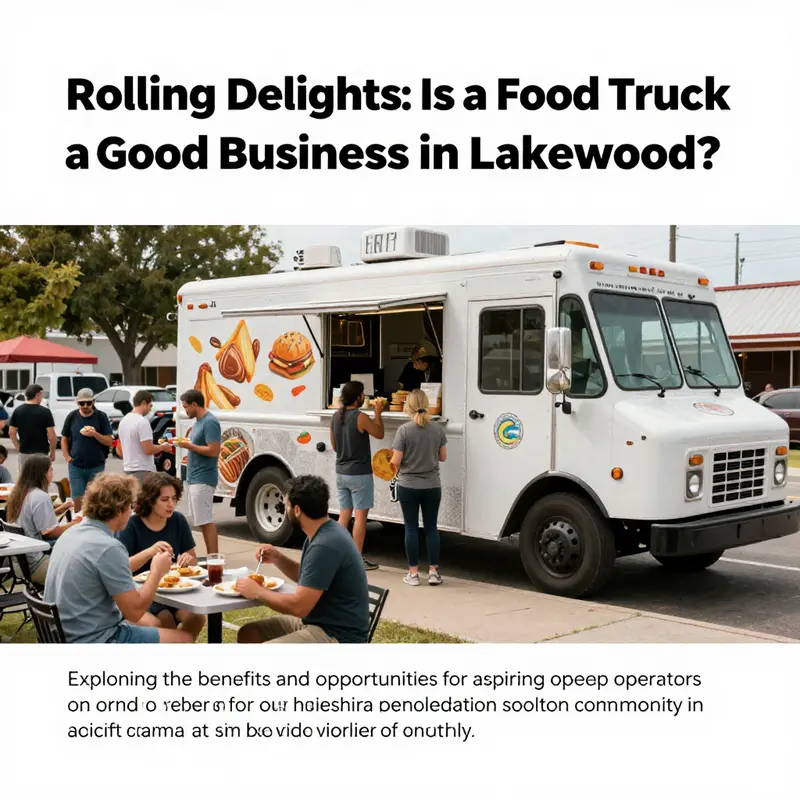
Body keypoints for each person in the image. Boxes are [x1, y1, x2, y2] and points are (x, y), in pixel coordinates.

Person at [44, 473, 200, 643]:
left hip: (61, 634)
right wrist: (156, 571)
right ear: (120, 509)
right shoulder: (108, 547)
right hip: (94, 638)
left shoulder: (71, 533)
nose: (132, 511)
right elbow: (134, 612)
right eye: (130, 506)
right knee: (183, 639)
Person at [236, 475, 369, 644]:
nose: (284, 510)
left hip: (338, 635)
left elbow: (298, 607)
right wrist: (278, 558)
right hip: (317, 623)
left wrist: (257, 592)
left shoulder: (325, 545)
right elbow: (309, 577)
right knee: (249, 633)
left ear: (297, 510)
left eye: (286, 506)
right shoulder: (320, 532)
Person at [117, 473, 205, 633]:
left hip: (174, 591)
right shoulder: (133, 525)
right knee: (165, 620)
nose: (171, 504)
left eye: (174, 498)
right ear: (150, 500)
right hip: (143, 593)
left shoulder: (178, 520)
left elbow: (193, 559)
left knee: (197, 617)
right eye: (164, 500)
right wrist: (149, 552)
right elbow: (122, 567)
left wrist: (188, 559)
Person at [390, 389, 447, 586]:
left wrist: (398, 461)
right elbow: (443, 457)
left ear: (409, 405)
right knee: (431, 528)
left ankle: (413, 574)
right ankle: (433, 572)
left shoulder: (404, 430)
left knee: (411, 528)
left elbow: (396, 460)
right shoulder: (437, 429)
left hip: (408, 486)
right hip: (432, 485)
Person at [329, 380, 385, 571]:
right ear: (358, 397)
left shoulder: (335, 417)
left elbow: (335, 446)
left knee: (344, 515)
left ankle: (335, 555)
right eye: (363, 394)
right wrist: (378, 412)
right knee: (360, 518)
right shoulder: (360, 417)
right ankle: (356, 560)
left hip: (341, 472)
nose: (365, 397)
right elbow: (379, 433)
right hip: (359, 473)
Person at [5, 454, 79, 584]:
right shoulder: (40, 496)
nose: (52, 472)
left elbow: (32, 522)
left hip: (19, 564)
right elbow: (50, 533)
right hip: (37, 564)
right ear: (42, 473)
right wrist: (77, 523)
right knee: (85, 567)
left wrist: (57, 510)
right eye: (50, 469)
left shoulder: (20, 493)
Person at [176, 389, 221, 554]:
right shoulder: (197, 423)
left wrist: (190, 446)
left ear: (195, 404)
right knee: (200, 520)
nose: (185, 410)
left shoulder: (210, 422)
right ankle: (211, 557)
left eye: (186, 406)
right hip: (194, 477)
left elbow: (213, 450)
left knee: (205, 520)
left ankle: (213, 558)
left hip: (204, 478)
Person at [60, 388, 114, 513]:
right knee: (77, 501)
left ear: (93, 402)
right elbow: (64, 438)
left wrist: (95, 434)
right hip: (76, 466)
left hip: (96, 466)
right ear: (77, 403)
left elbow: (109, 441)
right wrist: (67, 457)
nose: (85, 406)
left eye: (88, 403)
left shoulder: (101, 416)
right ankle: (79, 525)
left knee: (94, 501)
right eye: (82, 403)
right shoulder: (72, 416)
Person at [117, 390, 172, 483]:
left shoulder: (124, 421)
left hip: (128, 468)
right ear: (143, 403)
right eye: (150, 405)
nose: (150, 409)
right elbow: (148, 449)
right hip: (143, 470)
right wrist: (163, 447)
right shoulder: (142, 422)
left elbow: (120, 448)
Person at [9, 384, 56, 471]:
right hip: (41, 453)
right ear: (37, 395)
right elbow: (52, 436)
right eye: (41, 395)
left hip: (24, 453)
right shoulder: (45, 412)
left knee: (25, 480)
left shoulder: (18, 411)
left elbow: (12, 432)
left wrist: (18, 447)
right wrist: (52, 451)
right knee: (41, 480)